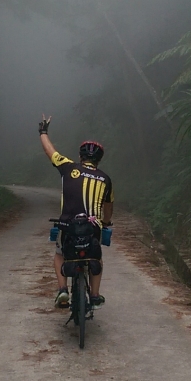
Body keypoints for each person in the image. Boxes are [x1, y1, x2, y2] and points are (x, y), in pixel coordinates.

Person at [38, 115, 113, 309]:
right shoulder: (105, 179)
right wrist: (105, 222)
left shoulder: (68, 168)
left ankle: (63, 290)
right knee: (96, 258)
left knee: (59, 254)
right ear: (99, 159)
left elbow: (50, 151)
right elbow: (108, 207)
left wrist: (43, 131)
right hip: (92, 227)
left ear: (81, 157)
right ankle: (95, 295)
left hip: (68, 225)